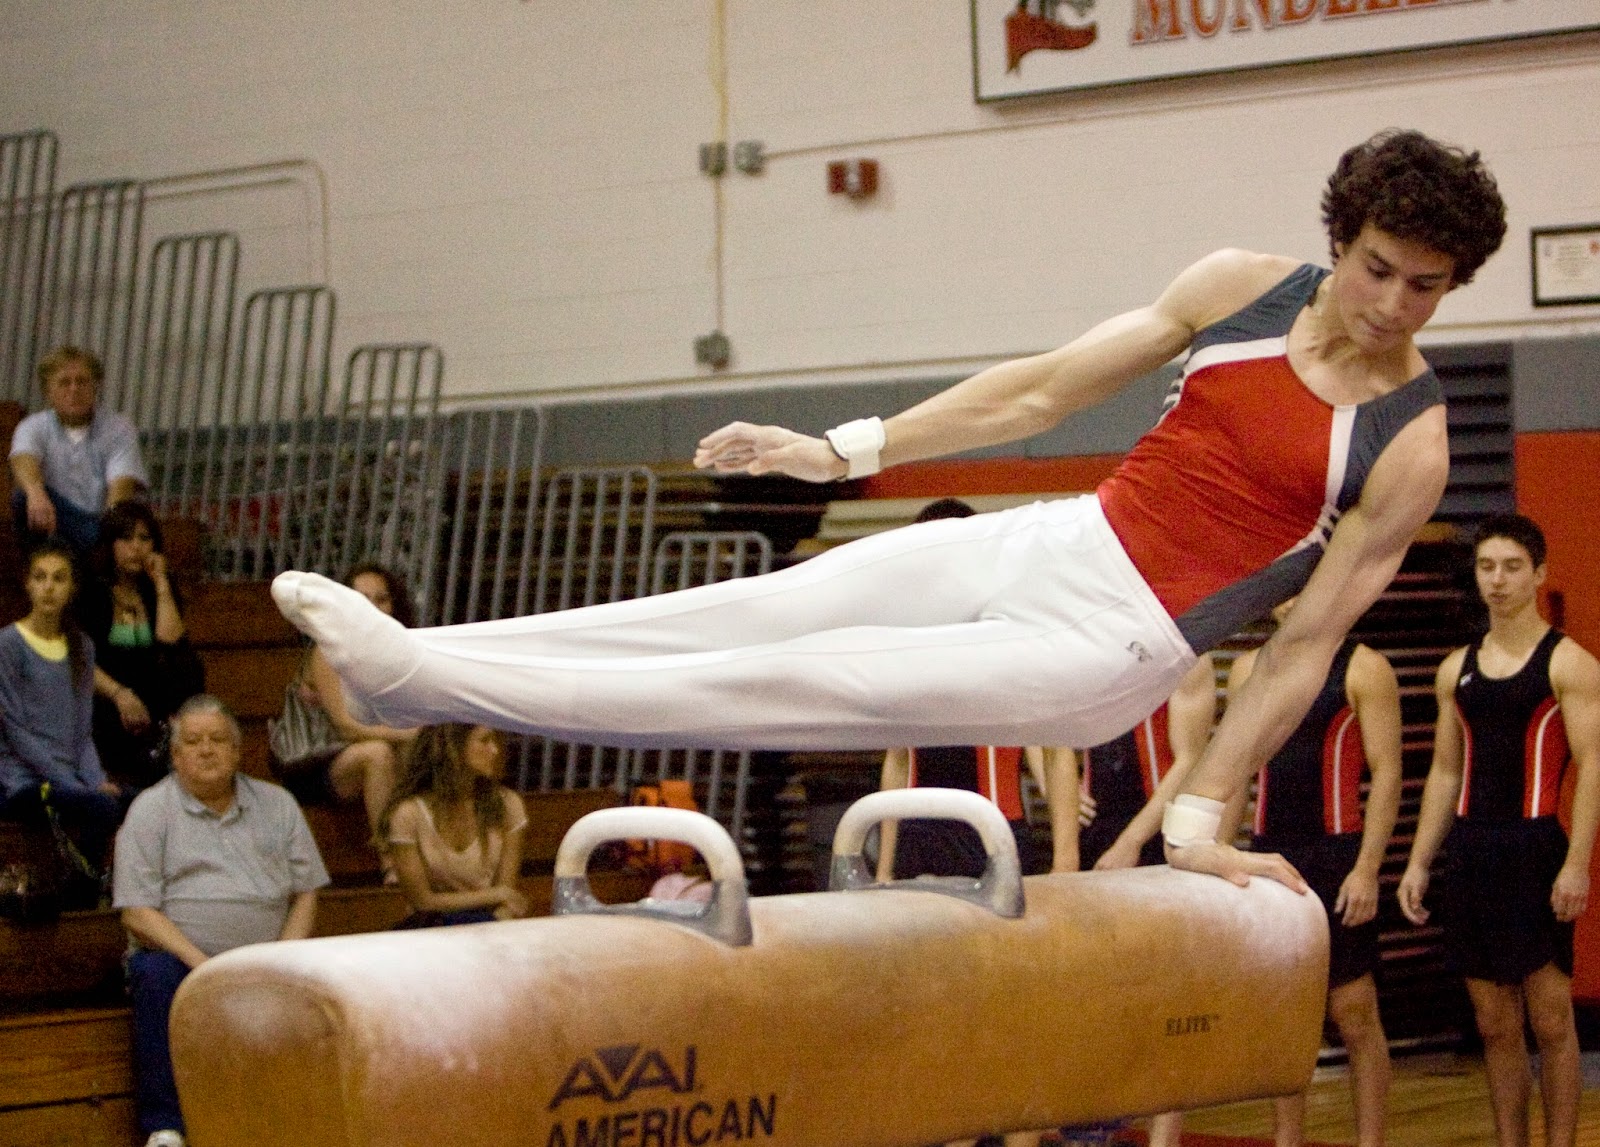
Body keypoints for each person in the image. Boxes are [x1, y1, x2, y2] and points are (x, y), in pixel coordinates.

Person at [271, 129, 1506, 890]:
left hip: (1112, 648)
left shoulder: (1408, 444)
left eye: (1426, 287)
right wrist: (843, 448)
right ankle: (409, 669)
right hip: (1061, 538)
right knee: (759, 608)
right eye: (1375, 268)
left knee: (813, 677)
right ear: (1338, 239)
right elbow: (1035, 391)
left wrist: (1195, 814)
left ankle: (425, 685)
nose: (1392, 304)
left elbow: (1301, 648)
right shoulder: (1240, 288)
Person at [1397, 515, 1600, 1147]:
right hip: (1470, 853)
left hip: (1535, 850)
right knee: (1493, 1023)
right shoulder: (1454, 667)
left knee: (1549, 1021)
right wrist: (1419, 860)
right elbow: (1445, 769)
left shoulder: (1569, 664)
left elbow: (1593, 764)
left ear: (1539, 573)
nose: (1498, 580)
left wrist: (1577, 864)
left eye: (1512, 567)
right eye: (1487, 567)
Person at [113, 694, 329, 1147]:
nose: (206, 749)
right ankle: (166, 1128)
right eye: (192, 741)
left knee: (320, 981)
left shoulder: (279, 804)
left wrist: (280, 959)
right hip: (179, 960)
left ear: (237, 751)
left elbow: (307, 892)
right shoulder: (150, 810)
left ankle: (298, 1121)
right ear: (175, 756)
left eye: (217, 740)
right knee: (153, 975)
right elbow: (136, 911)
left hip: (265, 956)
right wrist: (204, 966)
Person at [1226, 598, 1402, 1147]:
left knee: (1352, 1008)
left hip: (1338, 853)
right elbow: (1232, 771)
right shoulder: (1248, 669)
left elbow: (1389, 772)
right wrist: (1216, 853)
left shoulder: (1363, 667)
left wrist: (1368, 868)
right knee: (1287, 1016)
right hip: (1270, 853)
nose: (1293, 598)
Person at [874, 499, 1076, 889]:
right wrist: (884, 867)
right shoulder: (908, 642)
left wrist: (1065, 861)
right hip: (919, 838)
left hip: (994, 832)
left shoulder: (1012, 634)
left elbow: (1057, 749)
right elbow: (898, 758)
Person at [0, 540, 125, 884]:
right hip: (23, 782)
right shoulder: (9, 644)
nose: (48, 587)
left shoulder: (81, 646)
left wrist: (96, 779)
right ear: (27, 583)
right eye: (40, 578)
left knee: (133, 800)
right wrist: (76, 786)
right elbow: (15, 731)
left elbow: (82, 732)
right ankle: (81, 896)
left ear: (72, 588)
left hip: (71, 780)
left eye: (59, 578)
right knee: (100, 808)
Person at [271, 562, 414, 834]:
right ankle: (392, 861)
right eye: (362, 600)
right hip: (314, 761)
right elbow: (346, 726)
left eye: (382, 599)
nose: (372, 607)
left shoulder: (401, 652)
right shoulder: (327, 651)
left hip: (363, 749)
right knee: (380, 753)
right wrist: (412, 735)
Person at [80, 501, 205, 789]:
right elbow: (80, 659)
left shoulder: (159, 588)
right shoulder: (93, 591)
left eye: (144, 538)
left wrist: (161, 583)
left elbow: (171, 643)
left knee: (188, 663)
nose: (136, 547)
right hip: (108, 696)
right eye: (126, 538)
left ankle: (175, 738)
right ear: (110, 544)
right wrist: (120, 694)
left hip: (153, 700)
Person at [379, 722, 529, 927]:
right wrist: (495, 895)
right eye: (484, 741)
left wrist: (496, 916)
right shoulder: (408, 813)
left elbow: (506, 898)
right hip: (431, 927)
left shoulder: (508, 805)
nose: (494, 751)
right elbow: (422, 901)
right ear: (452, 747)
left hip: (488, 925)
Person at [8, 346, 148, 557]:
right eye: (64, 382)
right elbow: (22, 459)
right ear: (48, 392)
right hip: (50, 520)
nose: (74, 389)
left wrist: (106, 537)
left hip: (98, 523)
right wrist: (36, 493)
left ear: (95, 387)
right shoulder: (32, 426)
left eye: (82, 381)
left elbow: (120, 492)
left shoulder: (119, 429)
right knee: (22, 498)